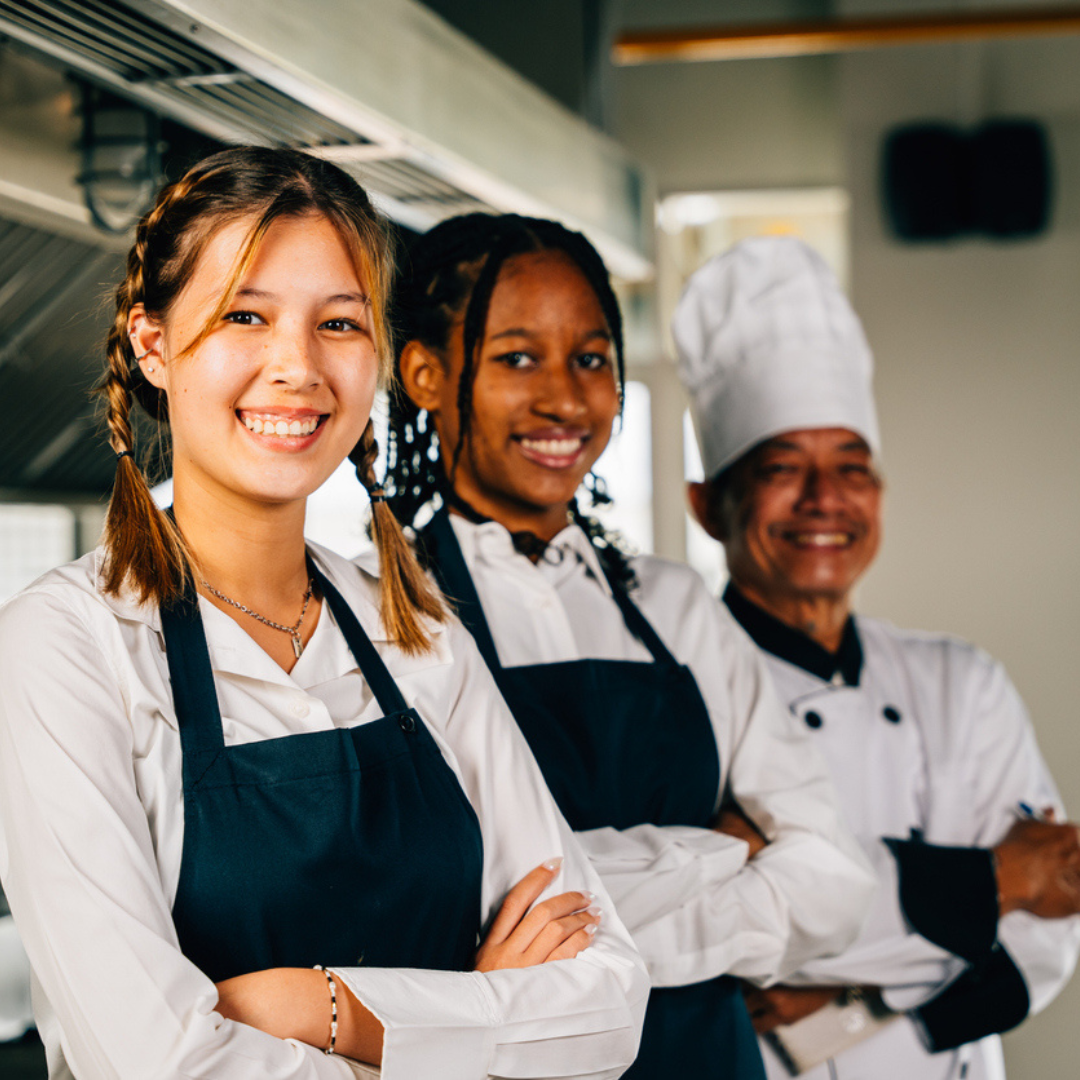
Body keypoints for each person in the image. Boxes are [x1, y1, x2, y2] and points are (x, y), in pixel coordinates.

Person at [0, 147, 650, 1080]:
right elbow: (159, 1064)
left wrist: (319, 1008)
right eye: (244, 315)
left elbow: (607, 1004)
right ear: (152, 344)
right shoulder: (68, 646)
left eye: (338, 323)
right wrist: (476, 1020)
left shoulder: (413, 624)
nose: (297, 367)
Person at [384, 212, 876, 1080]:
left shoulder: (675, 605)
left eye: (592, 358)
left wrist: (578, 934)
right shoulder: (382, 612)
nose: (566, 399)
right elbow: (434, 912)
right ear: (425, 373)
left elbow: (834, 880)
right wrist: (720, 850)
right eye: (516, 357)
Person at [674, 235, 1080, 1080]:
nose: (825, 500)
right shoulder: (673, 693)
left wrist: (848, 999)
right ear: (709, 504)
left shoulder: (962, 682)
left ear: (879, 495)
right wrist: (995, 879)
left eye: (851, 468)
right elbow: (694, 923)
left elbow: (1052, 925)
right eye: (784, 468)